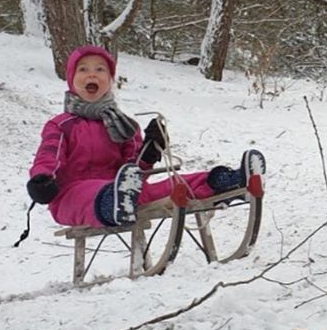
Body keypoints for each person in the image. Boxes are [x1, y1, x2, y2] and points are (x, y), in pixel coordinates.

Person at [27, 46, 265, 227]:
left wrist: (150, 150)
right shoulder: (61, 125)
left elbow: (134, 168)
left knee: (170, 185)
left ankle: (228, 181)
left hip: (124, 189)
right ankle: (113, 201)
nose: (92, 75)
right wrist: (42, 180)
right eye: (84, 69)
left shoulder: (122, 125)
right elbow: (49, 155)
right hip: (71, 197)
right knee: (99, 192)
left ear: (110, 81)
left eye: (100, 70)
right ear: (72, 80)